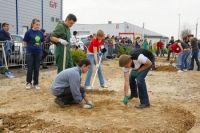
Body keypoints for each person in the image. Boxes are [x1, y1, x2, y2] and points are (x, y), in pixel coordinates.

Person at [23, 19, 44, 89]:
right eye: (36, 24)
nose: (38, 26)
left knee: (37, 68)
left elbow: (42, 41)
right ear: (33, 24)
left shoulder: (40, 33)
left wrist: (39, 47)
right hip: (30, 53)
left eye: (39, 25)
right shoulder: (28, 32)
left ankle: (36, 83)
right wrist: (29, 48)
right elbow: (25, 42)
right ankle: (28, 83)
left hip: (38, 53)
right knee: (30, 68)